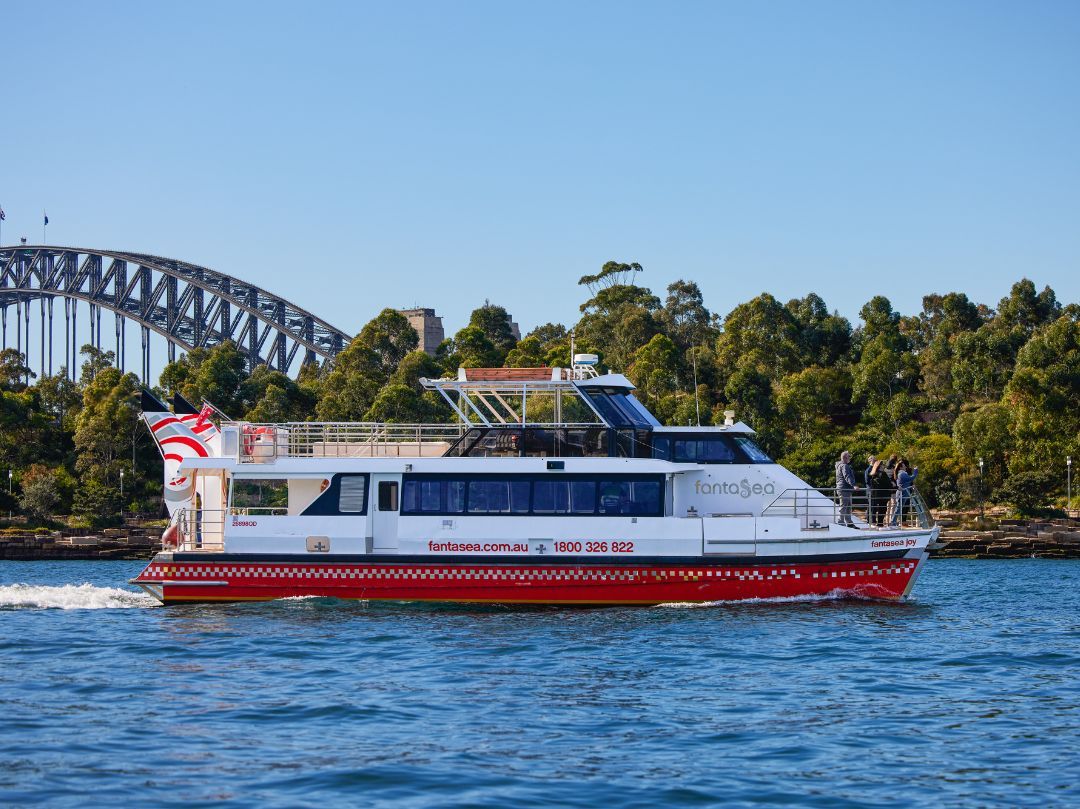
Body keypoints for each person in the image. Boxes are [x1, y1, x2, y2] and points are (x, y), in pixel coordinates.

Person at [890, 459, 919, 526]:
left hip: (903, 493)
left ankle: (893, 522)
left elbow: (907, 482)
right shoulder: (902, 474)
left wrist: (911, 485)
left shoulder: (901, 473)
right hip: (902, 494)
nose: (905, 467)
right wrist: (915, 471)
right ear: (900, 467)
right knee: (898, 509)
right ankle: (893, 523)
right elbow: (911, 478)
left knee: (899, 508)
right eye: (904, 466)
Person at [835, 450, 858, 528]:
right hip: (844, 489)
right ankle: (840, 522)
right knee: (844, 506)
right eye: (849, 456)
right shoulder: (844, 466)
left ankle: (849, 523)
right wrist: (854, 485)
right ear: (845, 457)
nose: (850, 458)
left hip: (845, 489)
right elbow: (847, 476)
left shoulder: (840, 465)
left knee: (848, 506)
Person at [866, 456, 890, 526]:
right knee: (873, 509)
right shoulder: (873, 474)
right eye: (882, 465)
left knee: (883, 509)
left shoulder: (884, 473)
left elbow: (888, 483)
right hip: (877, 494)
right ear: (878, 466)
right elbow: (872, 482)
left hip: (884, 495)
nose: (883, 466)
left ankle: (880, 523)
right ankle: (872, 523)